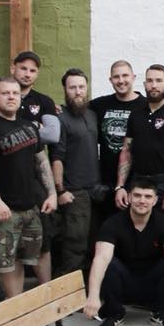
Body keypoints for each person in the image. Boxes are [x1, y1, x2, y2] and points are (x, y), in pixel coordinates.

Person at [0, 77, 57, 308]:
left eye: (15, 93)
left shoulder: (29, 126)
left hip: (29, 208)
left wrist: (52, 193)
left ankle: (14, 313)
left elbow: (41, 162)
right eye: (5, 93)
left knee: (17, 261)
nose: (11, 97)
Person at [84, 178, 164, 326]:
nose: (142, 201)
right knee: (107, 262)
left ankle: (161, 312)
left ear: (155, 200)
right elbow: (101, 258)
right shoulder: (113, 223)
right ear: (130, 197)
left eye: (148, 196)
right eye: (137, 195)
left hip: (153, 284)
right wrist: (93, 295)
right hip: (123, 283)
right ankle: (114, 313)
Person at [115, 64, 164, 218]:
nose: (154, 85)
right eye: (150, 81)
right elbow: (126, 151)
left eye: (159, 80)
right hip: (137, 182)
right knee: (136, 229)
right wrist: (120, 186)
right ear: (145, 84)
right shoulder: (136, 115)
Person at [48, 68, 99, 277]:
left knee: (92, 244)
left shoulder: (92, 114)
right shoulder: (59, 118)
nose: (78, 92)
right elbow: (56, 157)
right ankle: (66, 291)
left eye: (81, 87)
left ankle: (86, 289)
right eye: (72, 88)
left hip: (95, 191)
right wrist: (60, 190)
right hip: (73, 192)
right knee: (74, 246)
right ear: (65, 90)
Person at [89, 60, 145, 220]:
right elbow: (75, 109)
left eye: (125, 75)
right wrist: (54, 109)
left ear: (133, 77)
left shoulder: (145, 106)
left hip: (137, 183)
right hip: (105, 183)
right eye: (116, 77)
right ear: (110, 80)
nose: (121, 80)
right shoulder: (99, 105)